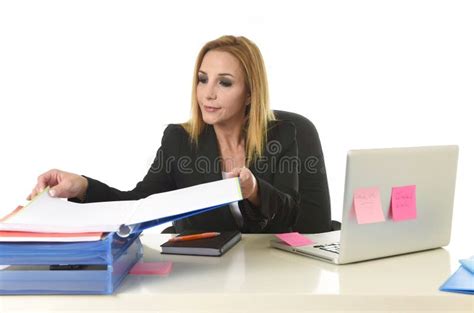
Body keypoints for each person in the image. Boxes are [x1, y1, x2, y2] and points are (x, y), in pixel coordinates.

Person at [27, 35, 300, 233]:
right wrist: (83, 186)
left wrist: (254, 190)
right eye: (203, 79)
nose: (208, 93)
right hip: (208, 273)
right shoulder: (179, 140)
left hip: (270, 270)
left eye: (224, 82)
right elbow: (138, 204)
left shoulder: (282, 135)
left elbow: (293, 216)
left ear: (251, 92)